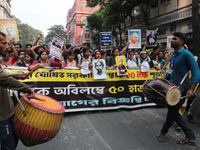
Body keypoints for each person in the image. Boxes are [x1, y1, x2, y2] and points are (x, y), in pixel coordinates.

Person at [158, 32, 200, 146]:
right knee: (175, 113)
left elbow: (196, 71)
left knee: (172, 113)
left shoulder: (187, 54)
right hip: (171, 90)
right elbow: (170, 71)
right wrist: (160, 81)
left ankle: (163, 132)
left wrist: (192, 89)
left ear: (181, 42)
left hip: (180, 91)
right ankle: (189, 135)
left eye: (175, 39)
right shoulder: (173, 55)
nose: (172, 40)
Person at [0, 32, 35, 150]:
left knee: (12, 142)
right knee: (9, 146)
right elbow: (3, 79)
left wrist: (18, 76)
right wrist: (26, 89)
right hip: (1, 115)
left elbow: (4, 75)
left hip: (6, 112)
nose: (7, 46)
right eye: (4, 43)